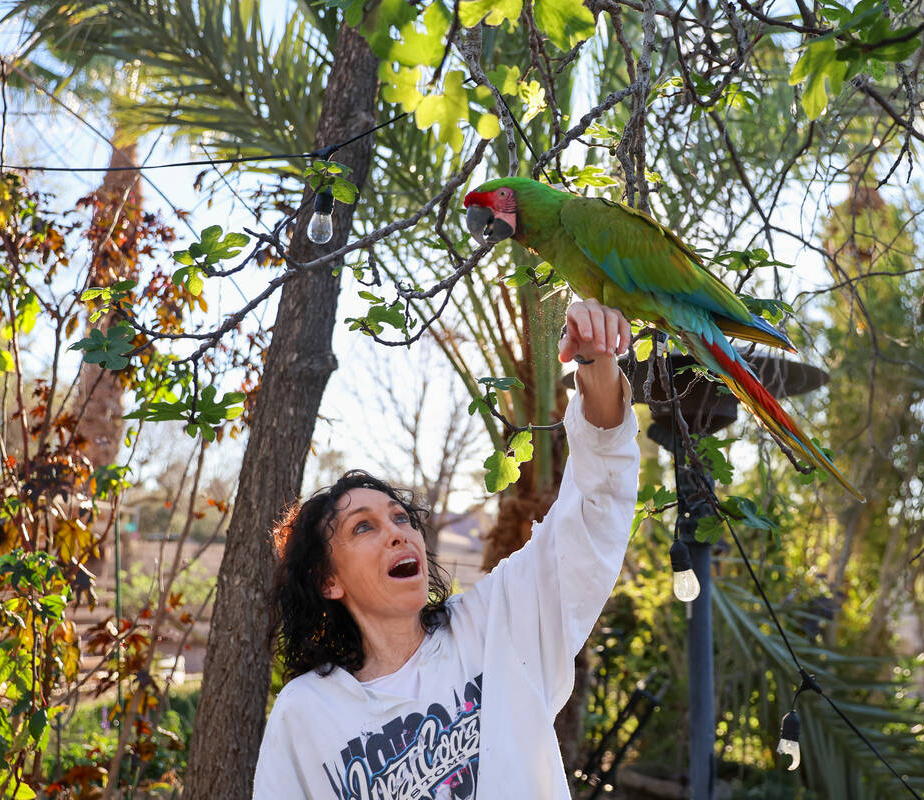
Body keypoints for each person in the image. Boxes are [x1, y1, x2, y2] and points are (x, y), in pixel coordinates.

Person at [253, 299, 640, 799]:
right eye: (363, 528)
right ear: (328, 580)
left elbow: (594, 509)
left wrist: (596, 363)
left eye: (399, 517)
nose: (398, 531)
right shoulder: (305, 714)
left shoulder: (496, 626)